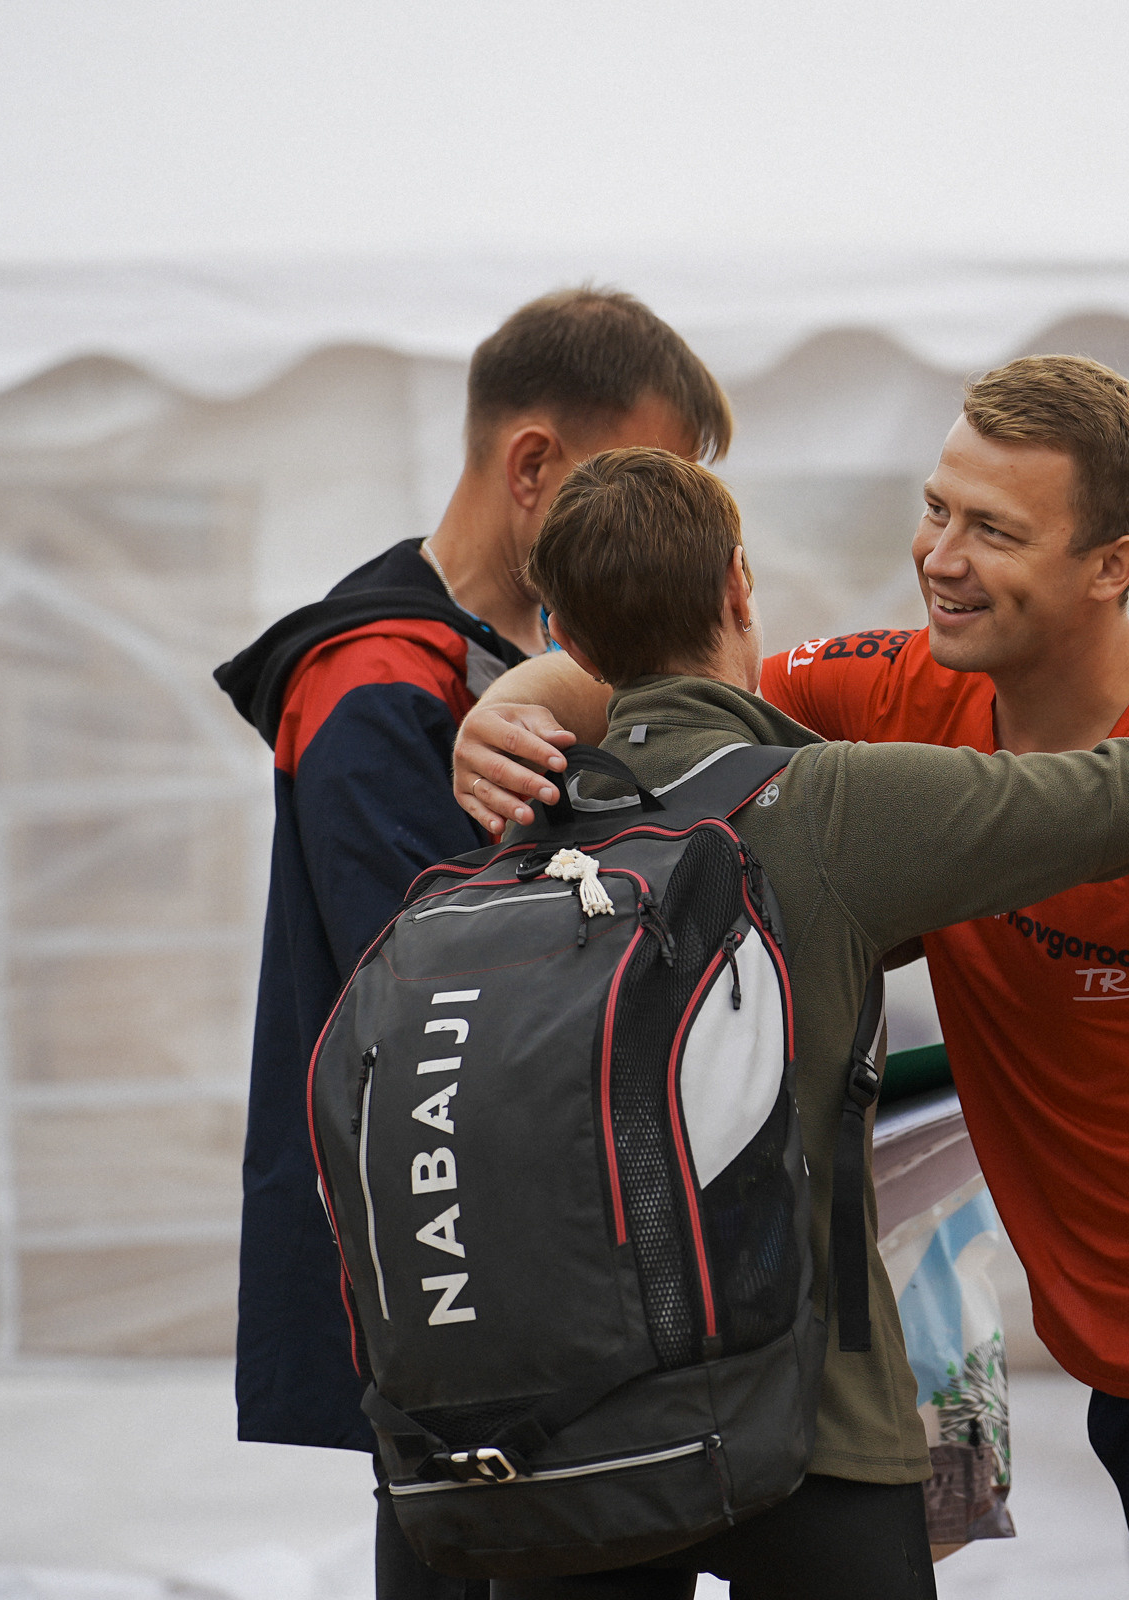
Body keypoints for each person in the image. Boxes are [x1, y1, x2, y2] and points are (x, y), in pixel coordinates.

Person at [456, 358, 1129, 1598]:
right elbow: (666, 667)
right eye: (938, 506)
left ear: (1111, 565)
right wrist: (505, 709)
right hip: (1128, 1364)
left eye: (992, 529)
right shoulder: (908, 689)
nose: (940, 555)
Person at [212, 287, 733, 1600]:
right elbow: (448, 991)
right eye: (639, 482)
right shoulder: (381, 682)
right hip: (463, 1275)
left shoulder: (511, 662)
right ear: (534, 469)